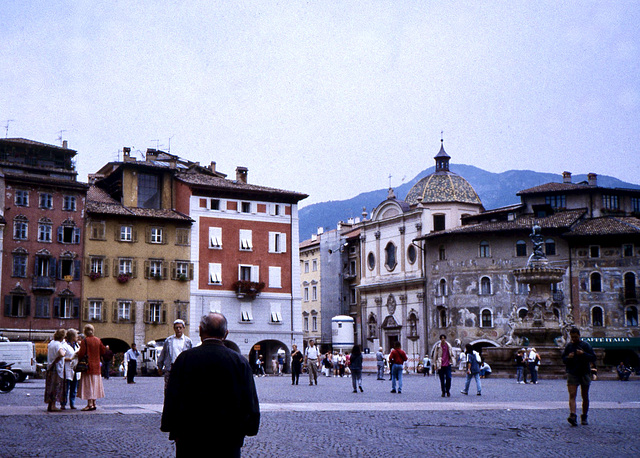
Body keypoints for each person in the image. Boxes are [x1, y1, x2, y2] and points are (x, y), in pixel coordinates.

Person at [161, 312, 259, 457]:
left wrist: (170, 426)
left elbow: (172, 397)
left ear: (200, 331)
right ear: (226, 334)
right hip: (228, 437)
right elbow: (250, 401)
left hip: (190, 437)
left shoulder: (184, 359)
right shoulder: (239, 361)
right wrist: (249, 428)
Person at [562, 327, 596, 426]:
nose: (574, 339)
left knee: (585, 396)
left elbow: (593, 357)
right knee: (572, 395)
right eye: (572, 337)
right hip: (572, 372)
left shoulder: (586, 345)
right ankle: (573, 415)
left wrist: (583, 354)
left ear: (579, 336)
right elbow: (563, 359)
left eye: (575, 337)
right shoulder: (569, 346)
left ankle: (584, 416)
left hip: (584, 372)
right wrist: (569, 357)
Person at [76, 324, 106, 411]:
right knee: (95, 385)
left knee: (89, 385)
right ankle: (94, 403)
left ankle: (89, 404)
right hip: (96, 366)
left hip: (88, 366)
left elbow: (81, 353)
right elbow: (103, 351)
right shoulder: (98, 340)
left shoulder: (85, 341)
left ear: (85, 331)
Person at [158, 319, 193, 391]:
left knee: (183, 389)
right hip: (171, 368)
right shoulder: (169, 340)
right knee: (168, 389)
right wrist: (160, 366)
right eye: (176, 327)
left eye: (180, 327)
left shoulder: (188, 341)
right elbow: (163, 353)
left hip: (183, 369)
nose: (178, 329)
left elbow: (191, 356)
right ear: (174, 328)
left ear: (183, 328)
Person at [44, 329, 66, 412]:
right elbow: (61, 353)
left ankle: (50, 405)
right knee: (56, 386)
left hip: (50, 367)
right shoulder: (58, 344)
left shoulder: (51, 343)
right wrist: (63, 353)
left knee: (50, 386)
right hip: (57, 368)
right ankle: (53, 405)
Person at [61, 329, 79, 410]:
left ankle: (72, 403)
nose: (77, 337)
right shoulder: (64, 345)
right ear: (72, 337)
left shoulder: (77, 345)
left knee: (74, 388)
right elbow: (62, 357)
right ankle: (63, 404)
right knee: (66, 388)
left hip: (75, 369)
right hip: (67, 368)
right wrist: (70, 359)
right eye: (76, 335)